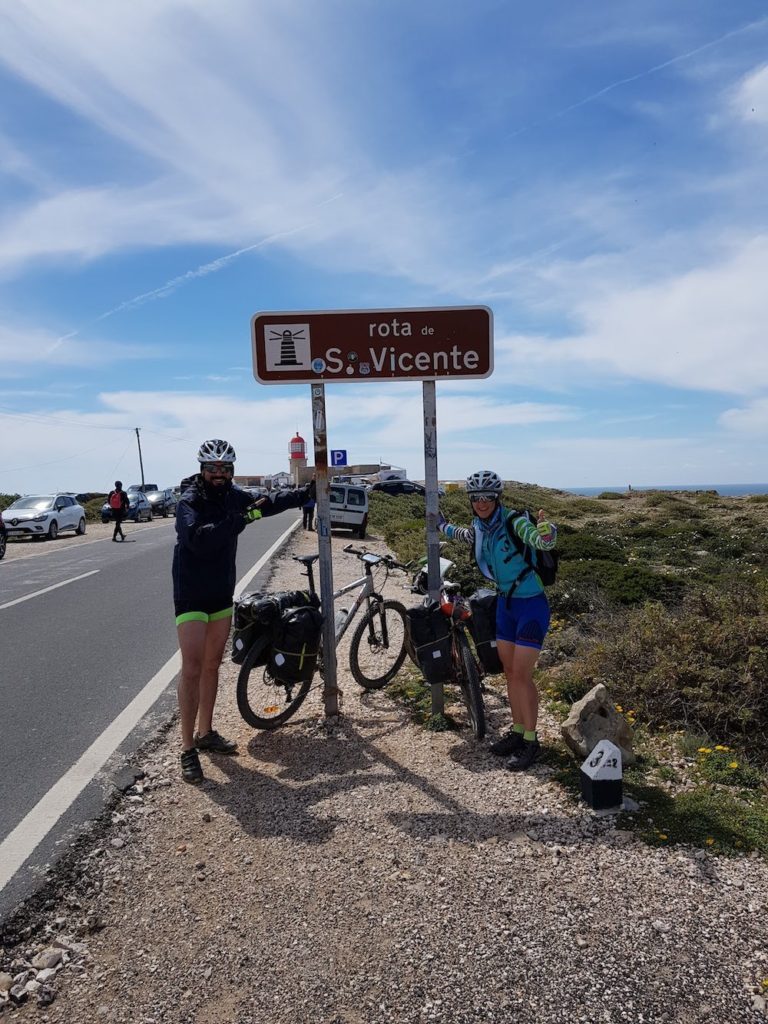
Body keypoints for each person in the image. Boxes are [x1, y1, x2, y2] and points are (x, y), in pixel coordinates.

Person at [172, 439, 314, 784]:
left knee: (211, 665)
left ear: (231, 471)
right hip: (191, 594)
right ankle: (187, 748)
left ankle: (206, 733)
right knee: (191, 668)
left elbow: (267, 503)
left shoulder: (234, 496)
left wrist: (304, 493)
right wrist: (238, 520)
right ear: (202, 469)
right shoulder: (189, 501)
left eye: (224, 469)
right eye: (212, 468)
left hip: (221, 592)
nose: (218, 474)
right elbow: (199, 539)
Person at [438, 470, 557, 771]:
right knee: (509, 672)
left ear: (497, 498)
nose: (481, 502)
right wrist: (440, 525)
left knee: (522, 674)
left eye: (487, 497)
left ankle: (531, 740)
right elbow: (463, 535)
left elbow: (539, 539)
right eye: (475, 497)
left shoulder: (514, 521)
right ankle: (517, 732)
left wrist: (547, 533)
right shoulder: (480, 526)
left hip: (531, 606)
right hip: (504, 605)